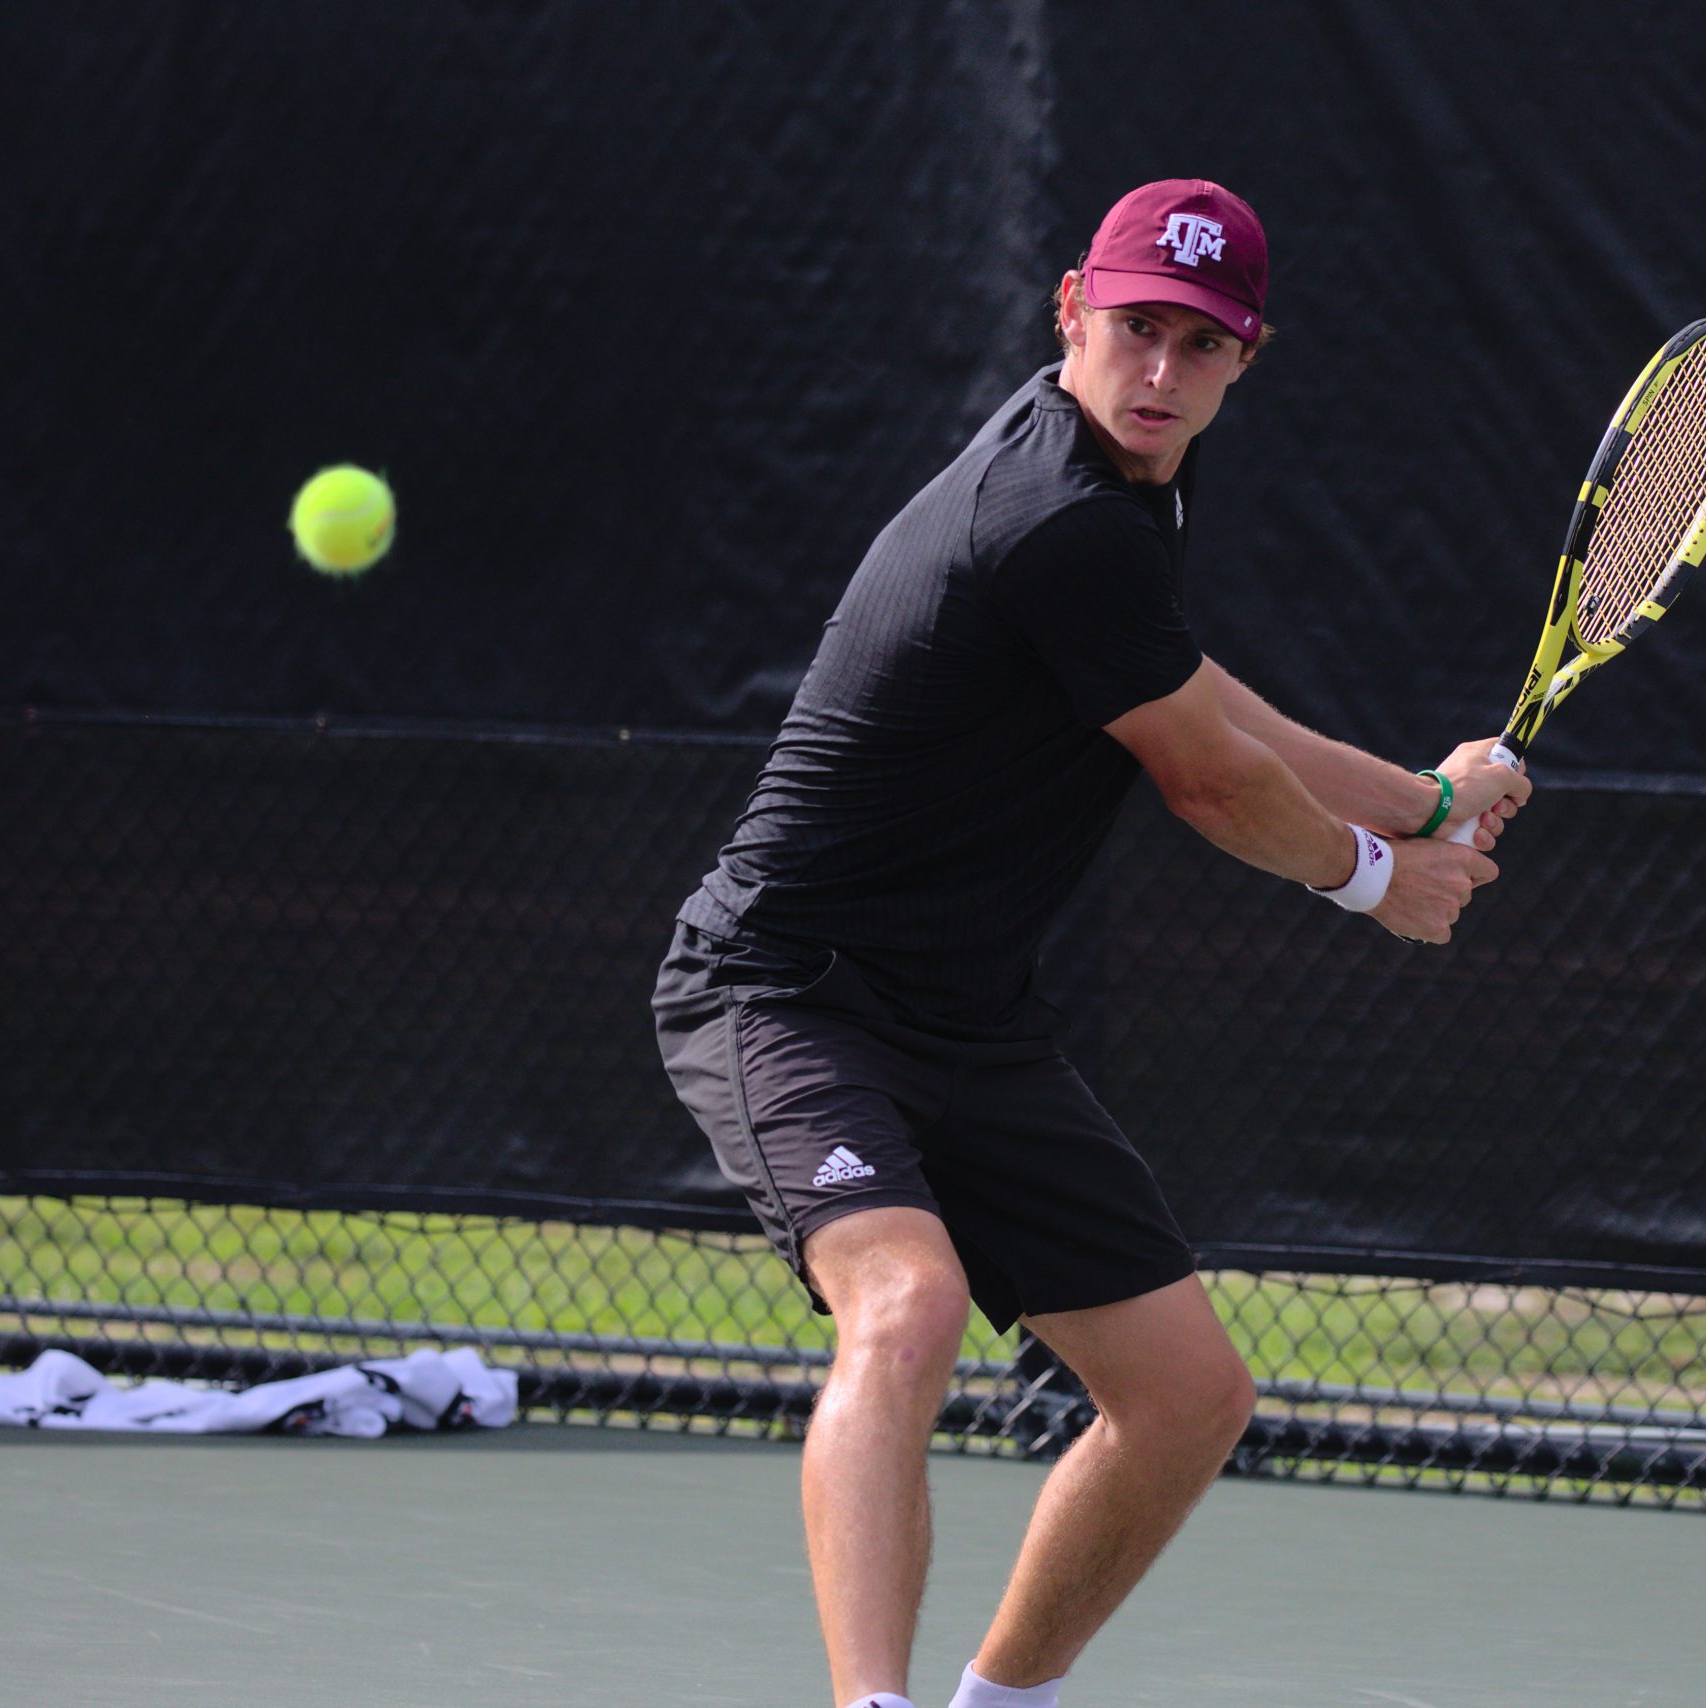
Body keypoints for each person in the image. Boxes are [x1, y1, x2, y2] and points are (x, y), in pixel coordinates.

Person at [652, 178, 1529, 1708]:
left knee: (1189, 1397)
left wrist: (1422, 791)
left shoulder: (1121, 487)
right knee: (908, 1302)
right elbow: (1206, 778)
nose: (1161, 373)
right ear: (1072, 309)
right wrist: (1379, 875)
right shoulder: (1056, 515)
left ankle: (1005, 1702)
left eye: (1201, 345)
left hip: (965, 1020)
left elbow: (1191, 691)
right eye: (1136, 331)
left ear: (1248, 361)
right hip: (785, 991)